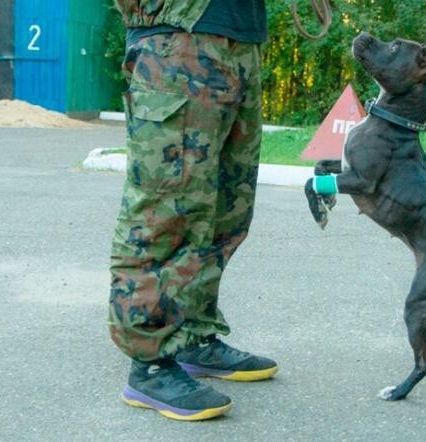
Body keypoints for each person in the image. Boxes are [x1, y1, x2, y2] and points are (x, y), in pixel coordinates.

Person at [108, 0, 276, 421]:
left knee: (226, 210)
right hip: (176, 38)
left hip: (239, 40)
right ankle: (149, 362)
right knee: (166, 209)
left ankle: (193, 337)